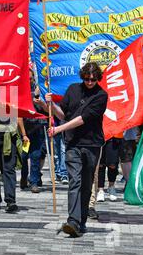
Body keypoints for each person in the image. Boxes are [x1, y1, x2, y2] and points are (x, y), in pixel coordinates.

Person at [44, 62, 108, 237]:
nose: (89, 82)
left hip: (92, 144)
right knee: (75, 181)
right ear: (82, 76)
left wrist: (58, 129)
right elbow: (62, 114)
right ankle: (72, 220)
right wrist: (48, 104)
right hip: (73, 143)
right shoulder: (73, 89)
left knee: (86, 184)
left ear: (97, 79)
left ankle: (82, 221)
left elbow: (82, 119)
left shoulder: (101, 95)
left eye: (93, 79)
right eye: (86, 79)